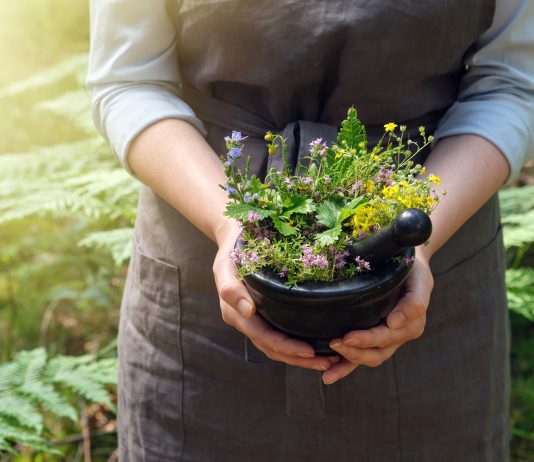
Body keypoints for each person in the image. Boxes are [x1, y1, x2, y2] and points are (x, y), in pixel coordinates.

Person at [87, 1, 534, 460]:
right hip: (201, 293)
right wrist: (229, 224)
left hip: (434, 280)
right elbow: (130, 80)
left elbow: (511, 84)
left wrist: (418, 242)